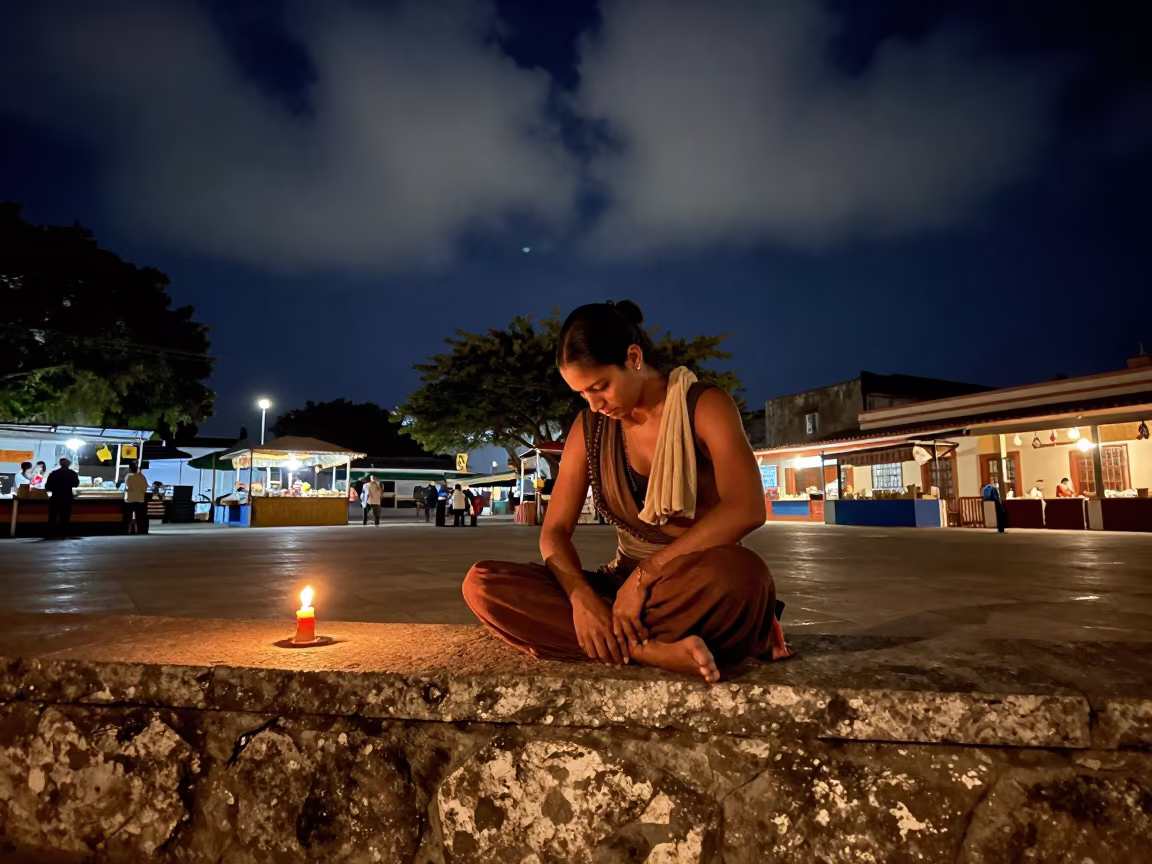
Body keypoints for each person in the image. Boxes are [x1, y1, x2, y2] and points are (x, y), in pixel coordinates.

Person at [462, 300, 792, 683]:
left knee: (743, 576)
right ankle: (646, 650)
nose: (595, 405)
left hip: (689, 585)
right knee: (483, 583)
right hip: (617, 587)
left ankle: (614, 640)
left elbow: (746, 508)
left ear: (633, 357)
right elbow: (554, 533)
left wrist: (645, 578)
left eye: (600, 387)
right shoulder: (590, 429)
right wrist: (582, 599)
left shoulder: (704, 407)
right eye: (583, 395)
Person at [44, 457, 80, 537]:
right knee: (65, 516)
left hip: (55, 497)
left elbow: (47, 486)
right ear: (69, 464)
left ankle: (50, 533)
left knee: (53, 516)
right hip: (67, 497)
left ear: (60, 464)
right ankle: (63, 533)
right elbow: (76, 484)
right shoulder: (72, 473)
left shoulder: (53, 473)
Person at [123, 463, 149, 535]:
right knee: (140, 517)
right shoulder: (142, 477)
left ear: (130, 469)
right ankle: (141, 531)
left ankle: (128, 531)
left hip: (129, 499)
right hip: (140, 498)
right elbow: (145, 488)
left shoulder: (128, 477)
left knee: (128, 517)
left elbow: (128, 487)